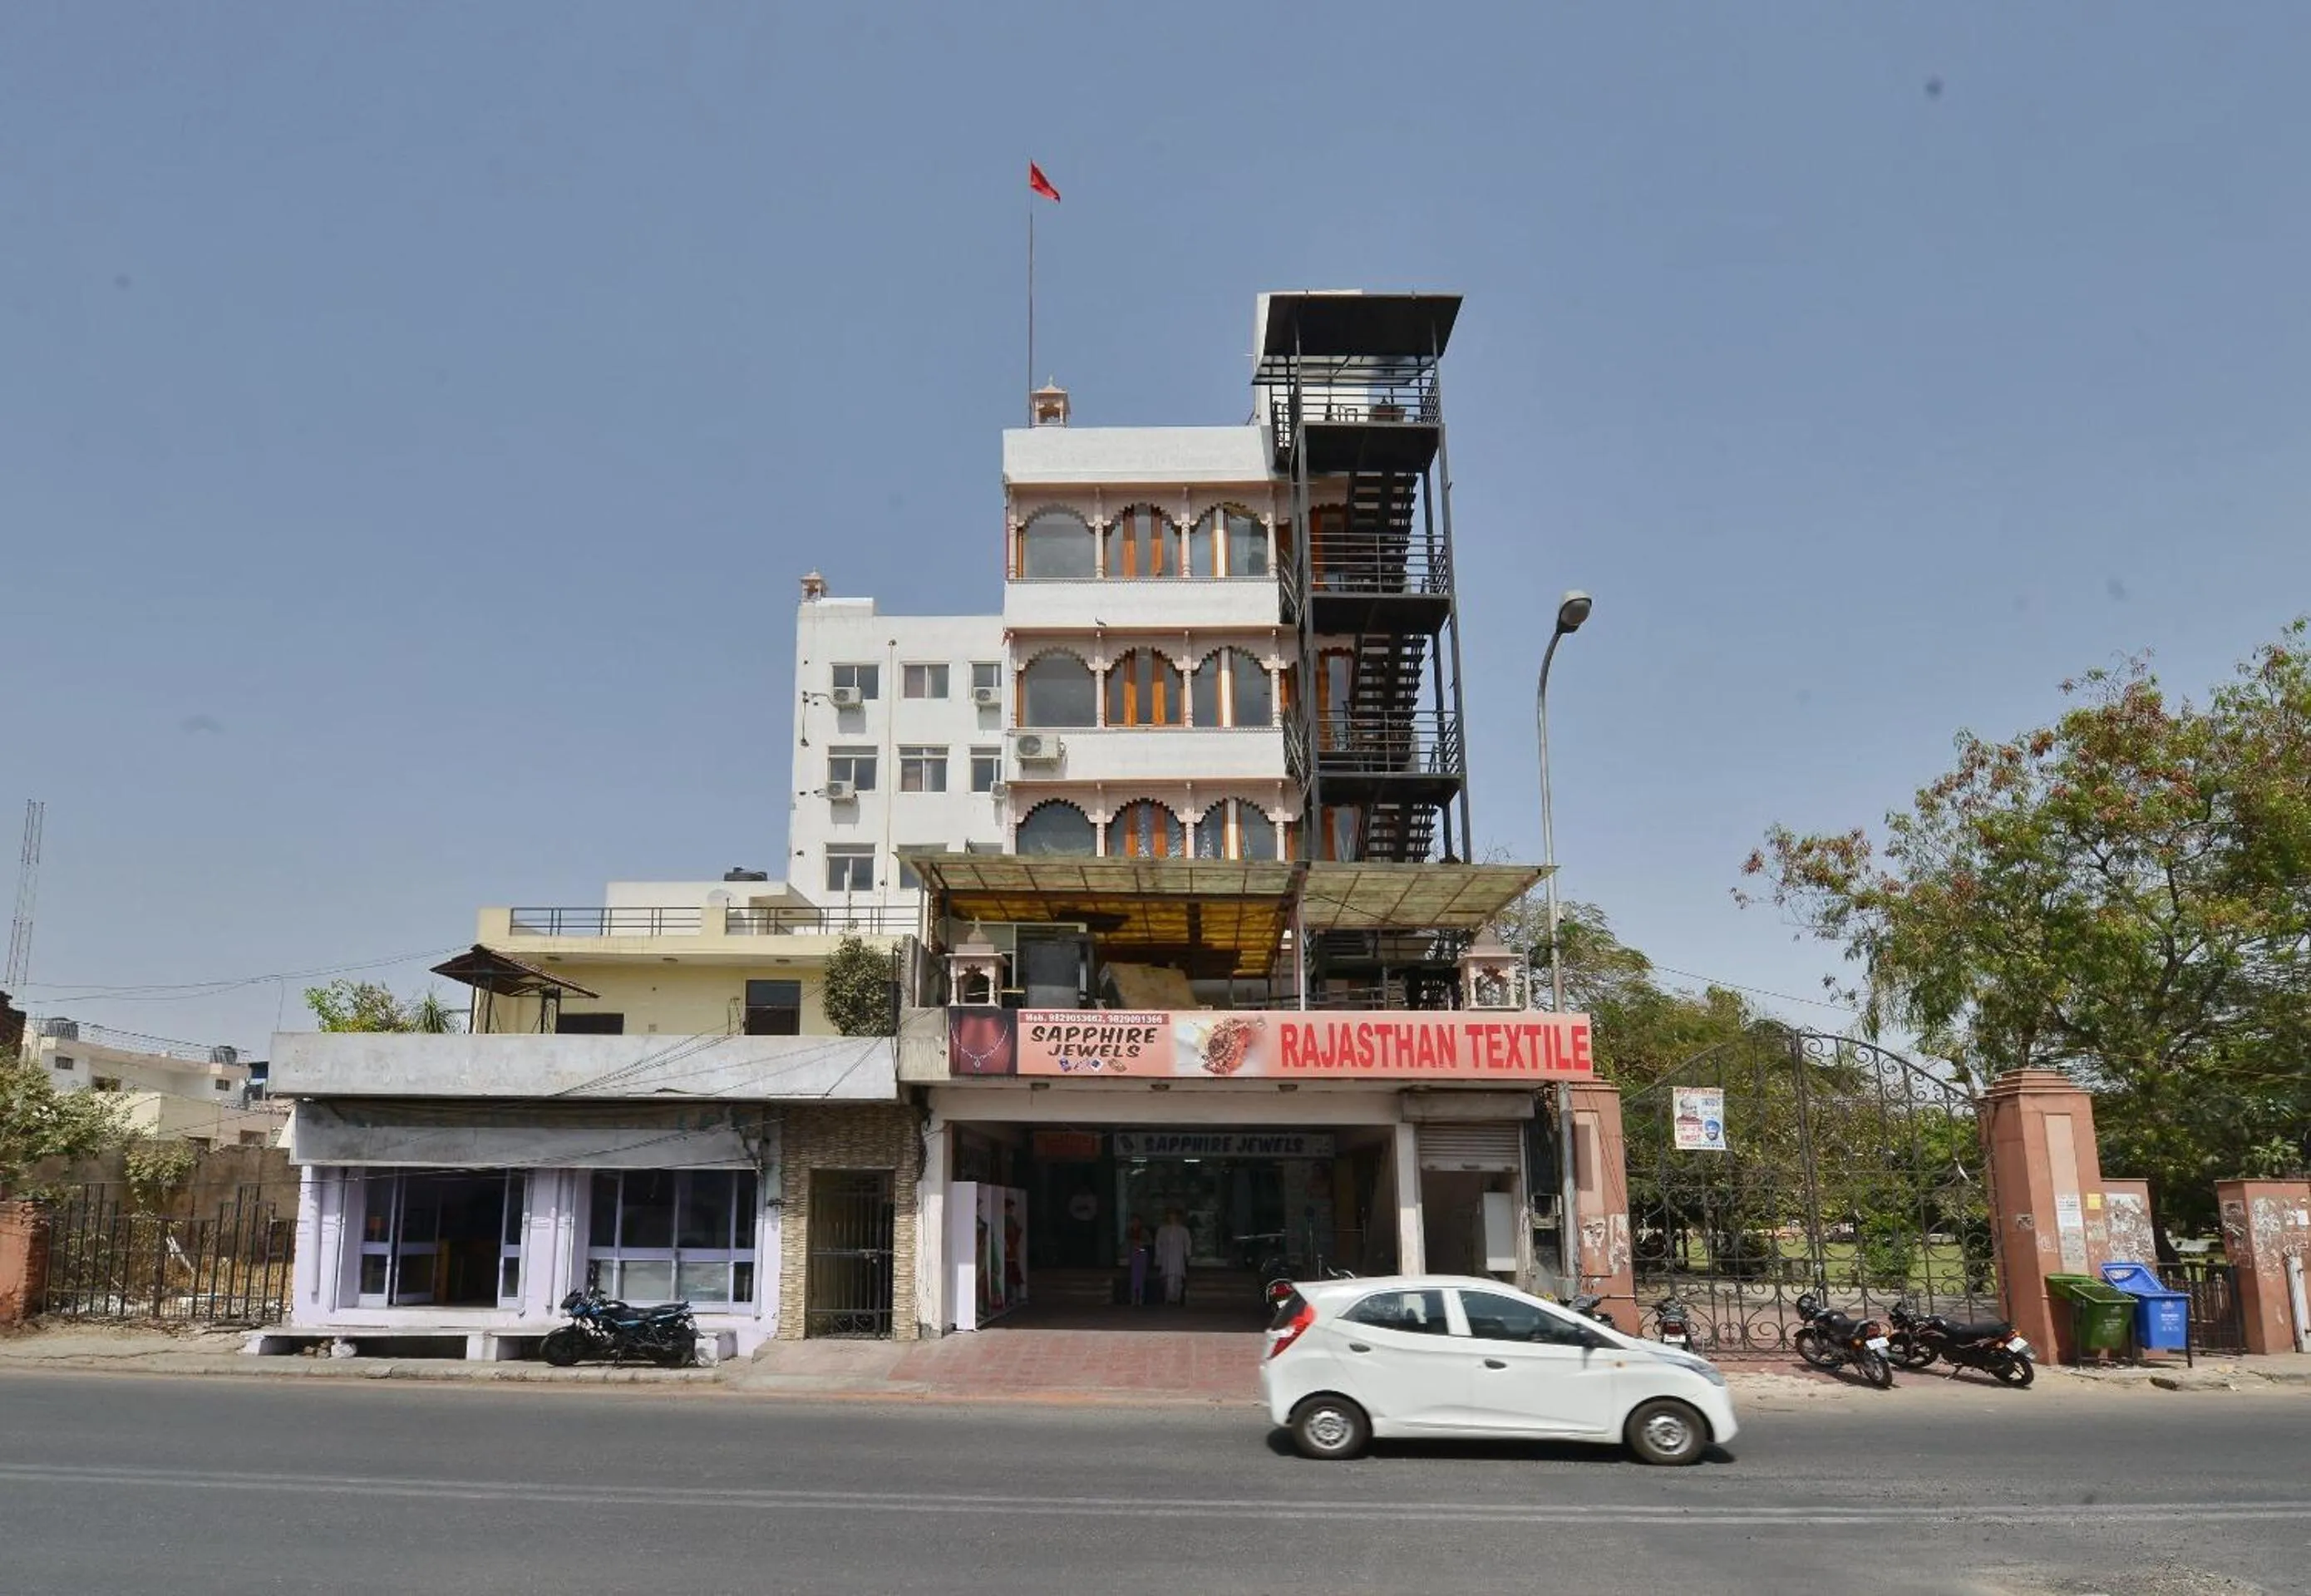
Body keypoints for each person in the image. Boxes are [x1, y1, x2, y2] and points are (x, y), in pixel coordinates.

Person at [1154, 1209, 1193, 1306]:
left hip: (1178, 1257)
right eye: (1170, 1215)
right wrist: (1159, 1256)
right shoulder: (1162, 1230)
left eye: (1174, 1215)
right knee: (1167, 1278)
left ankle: (1177, 1298)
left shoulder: (1183, 1230)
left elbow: (1187, 1243)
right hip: (1166, 1257)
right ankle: (1168, 1298)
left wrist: (1188, 1255)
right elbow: (1158, 1244)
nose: (1172, 1217)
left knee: (1178, 1277)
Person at [1125, 1215, 1151, 1307]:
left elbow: (1149, 1243)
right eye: (1134, 1221)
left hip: (1142, 1253)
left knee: (1141, 1277)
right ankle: (1133, 1297)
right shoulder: (1129, 1231)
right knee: (1134, 1278)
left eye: (1137, 1221)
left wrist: (1141, 1244)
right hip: (1133, 1254)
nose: (1135, 1223)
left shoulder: (1144, 1232)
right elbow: (1127, 1243)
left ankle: (1140, 1298)